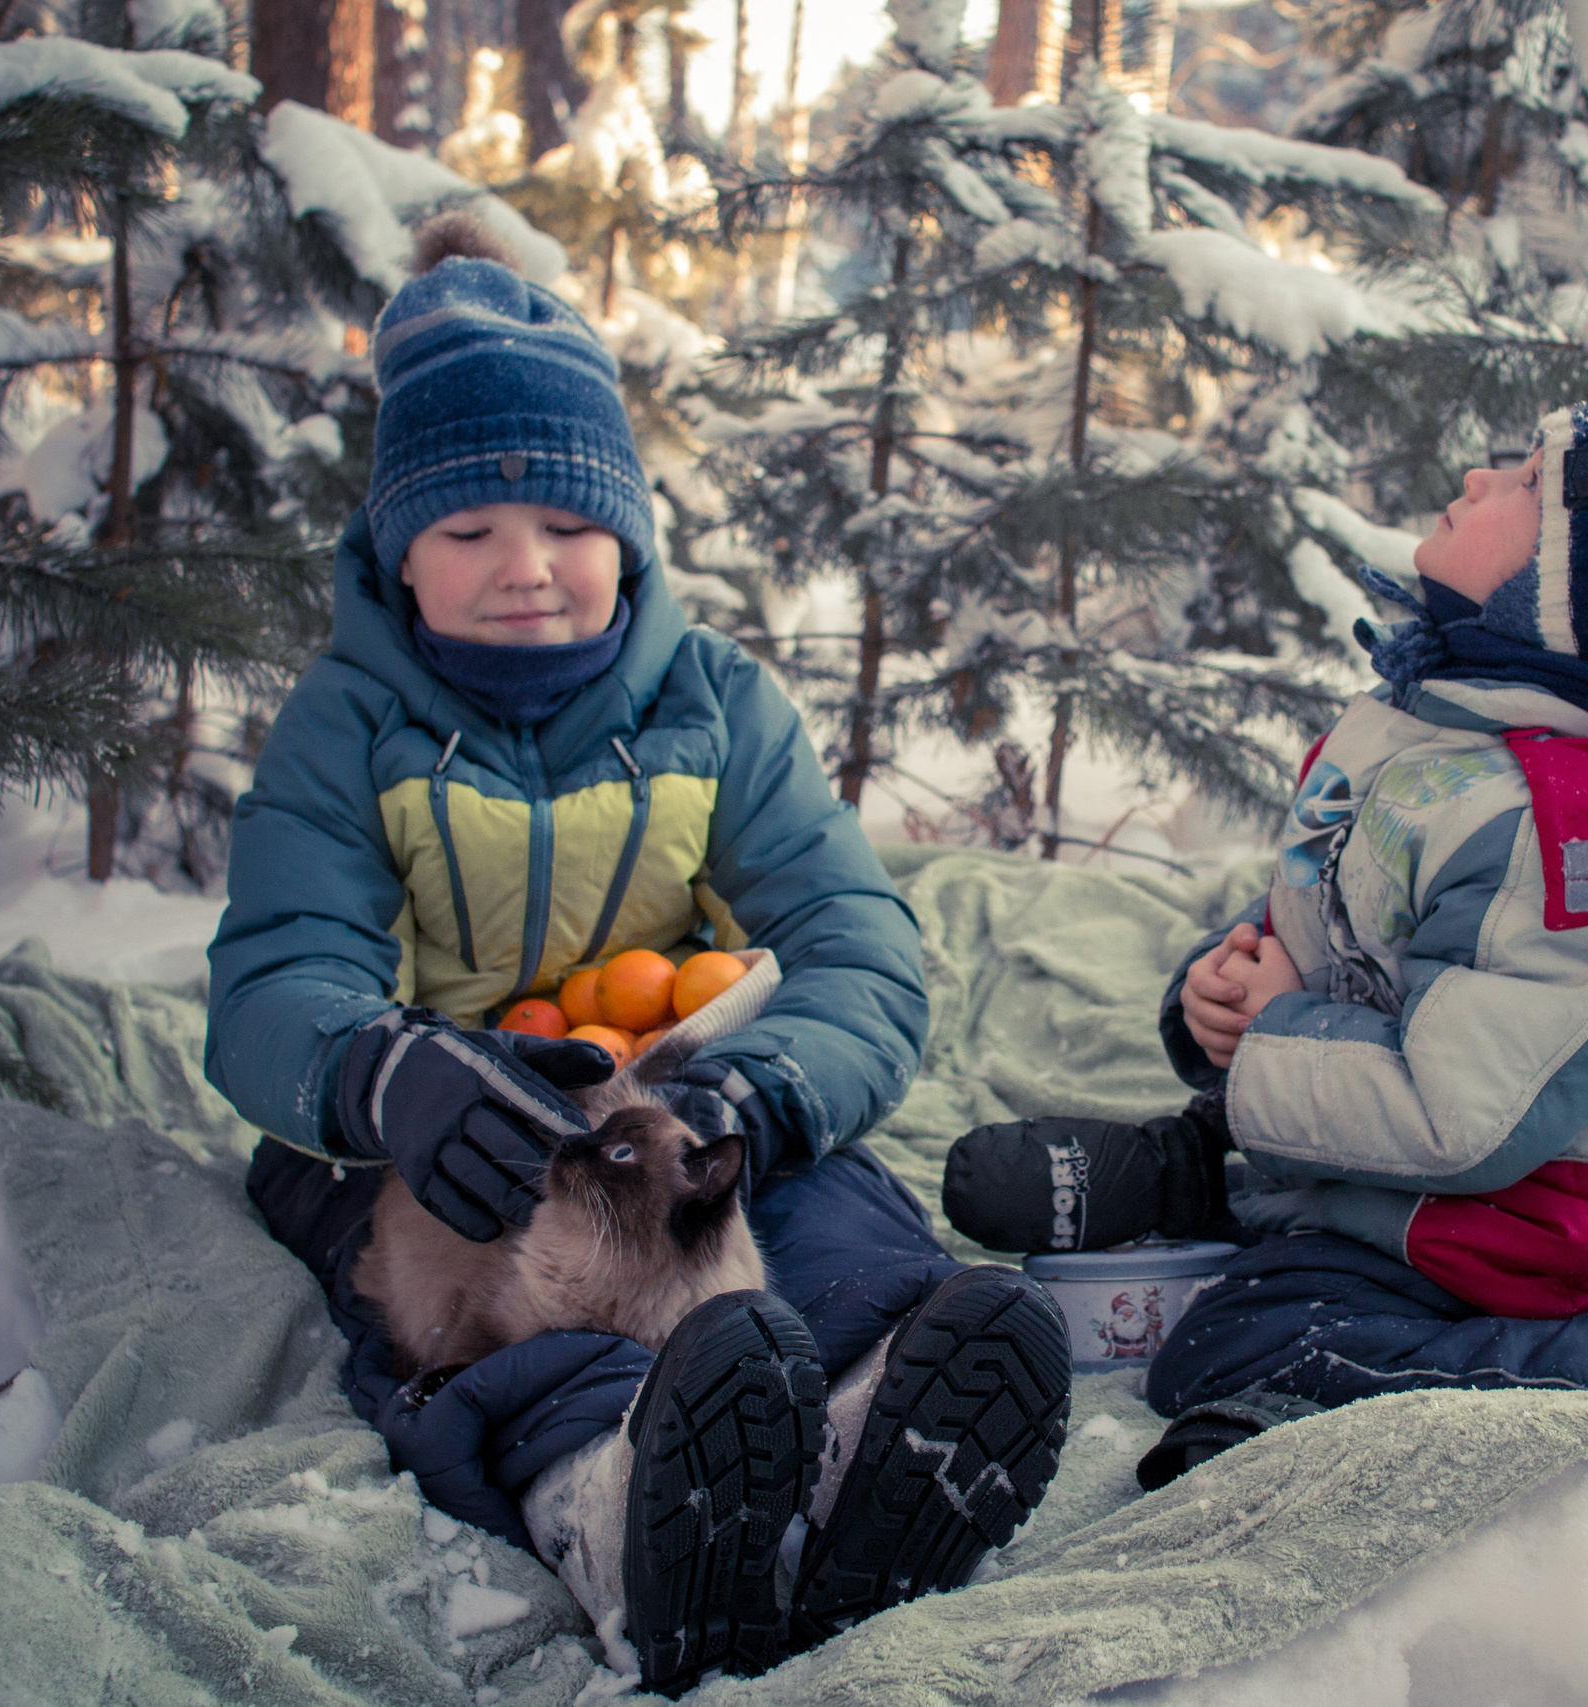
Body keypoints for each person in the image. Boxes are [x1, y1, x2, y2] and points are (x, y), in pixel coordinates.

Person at [204, 215, 1070, 1694]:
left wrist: (775, 1088)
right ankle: (617, 1499)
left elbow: (856, 937)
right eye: (467, 532)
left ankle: (878, 1424)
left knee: (827, 1215)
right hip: (419, 1117)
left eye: (571, 528)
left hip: (665, 1093)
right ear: (400, 553)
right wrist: (377, 1068)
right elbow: (275, 974)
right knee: (473, 1309)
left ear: (634, 533)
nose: (525, 569)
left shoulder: (714, 703)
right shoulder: (350, 723)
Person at [943, 401, 1588, 1488]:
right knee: (1218, 1190)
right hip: (1360, 1128)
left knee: (1237, 1339)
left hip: (1498, 1229)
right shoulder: (1442, 725)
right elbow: (1340, 908)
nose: (1484, 479)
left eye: (1530, 487)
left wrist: (1269, 1035)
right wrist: (1225, 979)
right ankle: (1195, 1176)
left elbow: (1461, 1119)